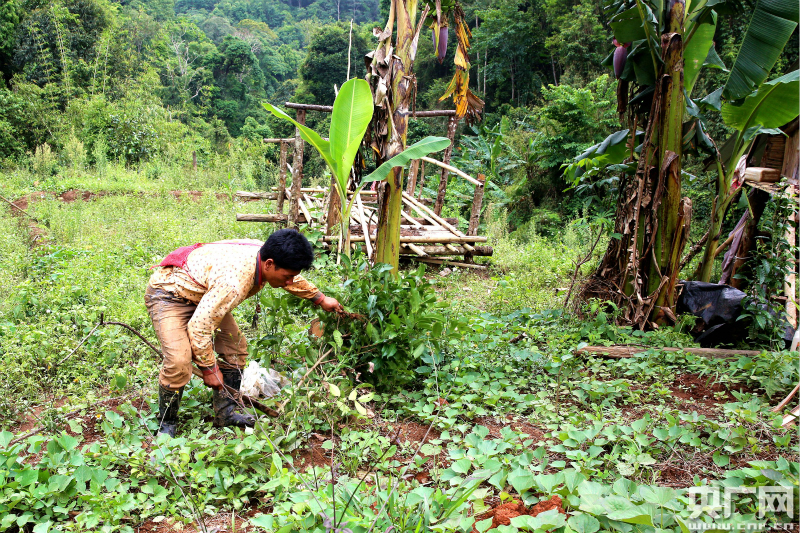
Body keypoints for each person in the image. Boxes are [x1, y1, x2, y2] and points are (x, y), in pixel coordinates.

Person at [145, 229, 342, 437]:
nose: (289, 283)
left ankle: (225, 413)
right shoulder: (233, 284)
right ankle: (167, 423)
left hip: (204, 294)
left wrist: (320, 299)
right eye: (287, 277)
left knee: (235, 347)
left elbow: (291, 275)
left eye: (292, 277)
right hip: (169, 295)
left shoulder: (264, 253)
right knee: (178, 360)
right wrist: (209, 369)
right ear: (269, 264)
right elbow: (199, 327)